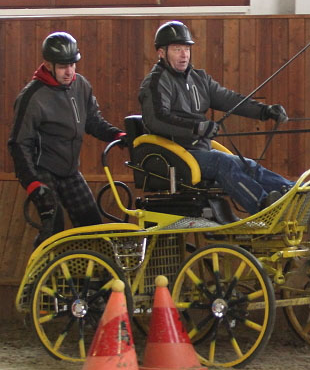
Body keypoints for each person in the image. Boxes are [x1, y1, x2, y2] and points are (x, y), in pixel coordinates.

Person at [138, 20, 291, 214]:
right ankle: (264, 208)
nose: (184, 54)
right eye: (177, 49)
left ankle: (292, 193)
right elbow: (157, 119)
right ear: (161, 53)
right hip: (175, 155)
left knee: (247, 164)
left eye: (186, 48)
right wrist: (197, 128)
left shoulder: (199, 78)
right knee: (223, 163)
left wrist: (264, 111)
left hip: (199, 151)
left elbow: (230, 99)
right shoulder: (155, 82)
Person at [8, 32, 127, 247]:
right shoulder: (32, 97)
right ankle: (39, 278)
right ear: (47, 64)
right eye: (63, 66)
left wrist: (116, 134)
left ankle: (90, 277)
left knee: (91, 224)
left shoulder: (80, 85)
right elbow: (19, 143)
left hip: (70, 170)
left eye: (72, 64)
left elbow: (93, 121)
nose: (69, 71)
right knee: (53, 228)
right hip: (42, 170)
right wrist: (32, 182)